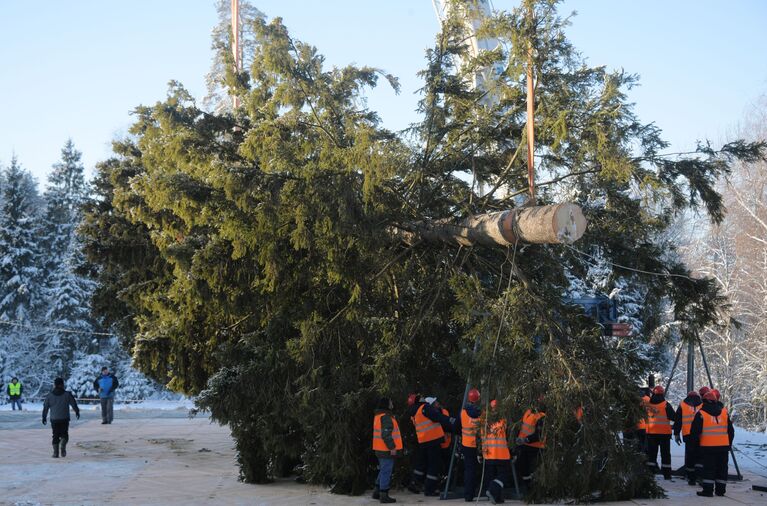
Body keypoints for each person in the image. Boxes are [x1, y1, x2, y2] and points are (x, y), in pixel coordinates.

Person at [407, 395, 455, 496]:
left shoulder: (414, 413)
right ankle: (430, 489)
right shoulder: (424, 407)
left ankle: (415, 483)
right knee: (434, 465)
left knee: (422, 464)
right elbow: (436, 416)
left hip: (423, 441)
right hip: (433, 440)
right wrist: (450, 420)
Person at [690, 391, 734, 497]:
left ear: (703, 401)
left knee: (709, 469)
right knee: (722, 469)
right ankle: (720, 490)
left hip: (708, 447)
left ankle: (708, 491)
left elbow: (695, 432)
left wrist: (695, 446)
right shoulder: (724, 413)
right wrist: (728, 444)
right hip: (723, 447)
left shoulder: (701, 414)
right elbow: (731, 431)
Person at [372, 397, 402, 504]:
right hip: (386, 450)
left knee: (383, 470)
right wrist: (392, 447)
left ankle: (377, 491)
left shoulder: (379, 416)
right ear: (386, 404)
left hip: (379, 448)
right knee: (386, 471)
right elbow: (386, 434)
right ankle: (383, 495)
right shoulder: (386, 417)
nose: (392, 403)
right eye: (390, 402)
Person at [482, 399, 511, 504]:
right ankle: (492, 490)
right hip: (501, 454)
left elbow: (482, 437)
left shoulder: (485, 421)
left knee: (493, 476)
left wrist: (482, 452)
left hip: (489, 454)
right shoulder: (502, 420)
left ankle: (497, 498)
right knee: (503, 475)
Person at [42, 377, 80, 458]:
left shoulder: (49, 396)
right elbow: (73, 404)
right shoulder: (67, 394)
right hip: (64, 418)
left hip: (54, 419)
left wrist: (44, 417)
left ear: (55, 385)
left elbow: (45, 407)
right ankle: (62, 445)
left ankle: (56, 453)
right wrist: (77, 411)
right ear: (62, 385)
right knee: (64, 434)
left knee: (55, 435)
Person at [645, 385, 675, 479]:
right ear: (663, 394)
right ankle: (667, 475)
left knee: (651, 455)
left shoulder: (648, 405)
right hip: (664, 434)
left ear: (653, 393)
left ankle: (650, 473)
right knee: (665, 454)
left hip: (651, 433)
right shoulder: (666, 405)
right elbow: (674, 417)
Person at [515, 400, 545, 491]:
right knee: (523, 468)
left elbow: (540, 434)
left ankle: (534, 490)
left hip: (535, 447)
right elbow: (522, 427)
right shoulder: (528, 412)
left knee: (533, 470)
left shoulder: (541, 417)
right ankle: (529, 488)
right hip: (524, 446)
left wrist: (527, 439)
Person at [673, 390, 702, 485]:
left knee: (690, 456)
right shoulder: (702, 405)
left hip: (688, 434)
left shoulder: (683, 404)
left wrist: (676, 434)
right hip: (700, 435)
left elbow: (678, 420)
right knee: (699, 456)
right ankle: (699, 476)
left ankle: (691, 478)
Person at [460, 388, 482, 502]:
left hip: (466, 445)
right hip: (477, 445)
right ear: (478, 399)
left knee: (469, 470)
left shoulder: (463, 412)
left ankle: (468, 495)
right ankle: (478, 491)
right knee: (476, 470)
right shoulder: (480, 414)